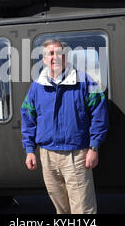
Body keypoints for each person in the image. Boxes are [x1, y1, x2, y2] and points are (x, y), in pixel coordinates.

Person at [20, 39, 109, 214]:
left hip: (76, 155)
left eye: (59, 53)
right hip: (47, 156)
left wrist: (94, 147)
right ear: (44, 59)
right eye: (50, 54)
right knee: (61, 210)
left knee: (83, 209)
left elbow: (100, 115)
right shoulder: (37, 86)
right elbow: (28, 117)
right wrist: (30, 149)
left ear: (66, 56)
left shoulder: (85, 81)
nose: (55, 57)